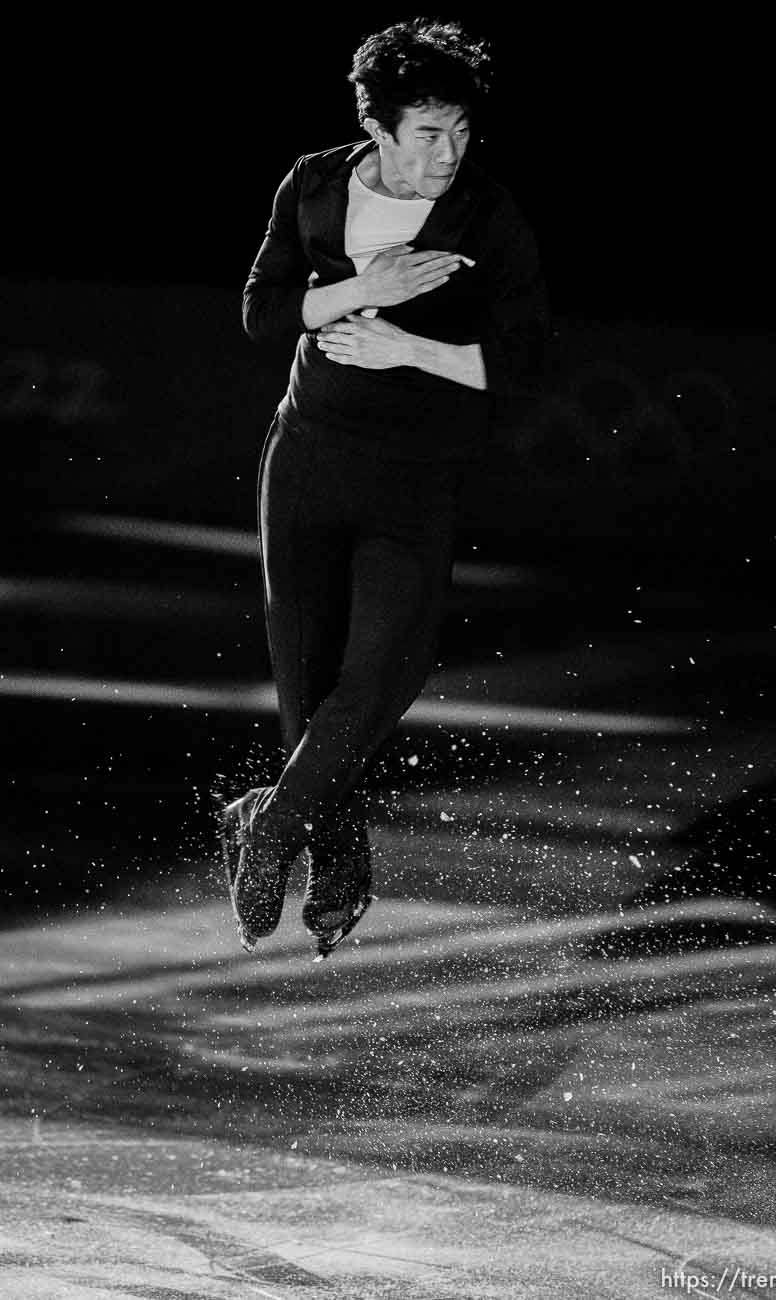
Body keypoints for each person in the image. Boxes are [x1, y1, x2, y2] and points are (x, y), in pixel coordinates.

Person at [222, 17, 549, 959]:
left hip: (413, 479)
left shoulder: (487, 216)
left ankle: (269, 828)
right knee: (307, 691)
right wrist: (365, 287)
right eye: (428, 134)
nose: (448, 155)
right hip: (307, 460)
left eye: (461, 133)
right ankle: (339, 868)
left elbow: (530, 366)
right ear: (379, 127)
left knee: (379, 678)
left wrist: (409, 345)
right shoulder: (315, 182)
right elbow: (262, 312)